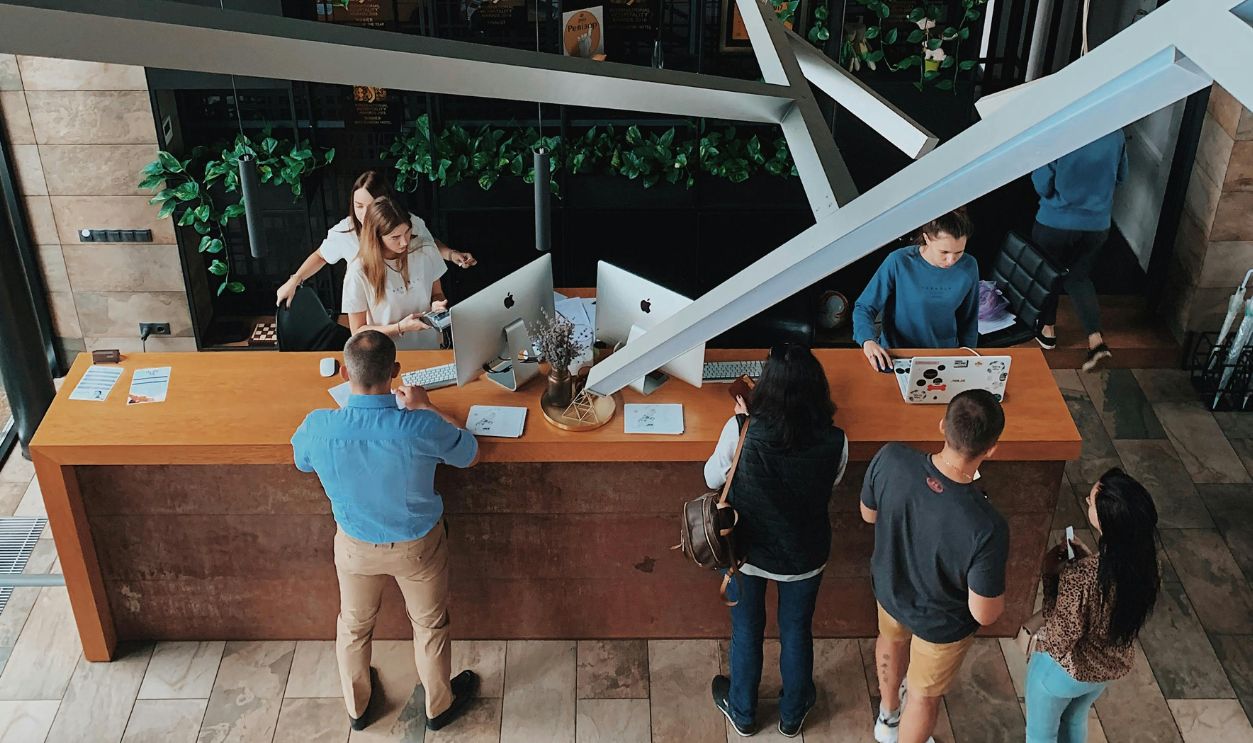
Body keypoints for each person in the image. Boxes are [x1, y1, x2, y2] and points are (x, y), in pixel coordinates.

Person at [291, 330, 481, 732]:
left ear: (344, 373)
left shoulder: (319, 425)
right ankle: (438, 706)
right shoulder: (418, 427)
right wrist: (427, 407)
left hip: (356, 547)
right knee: (429, 625)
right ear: (395, 372)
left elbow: (302, 462)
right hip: (417, 547)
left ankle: (358, 708)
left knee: (354, 625)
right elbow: (468, 452)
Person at [705, 344, 849, 738]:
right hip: (804, 554)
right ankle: (793, 712)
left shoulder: (741, 429)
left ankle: (743, 712)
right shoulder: (837, 439)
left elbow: (712, 479)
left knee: (747, 629)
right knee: (797, 630)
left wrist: (741, 425)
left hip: (745, 551)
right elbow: (830, 483)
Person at [860, 389, 1010, 743]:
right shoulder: (986, 526)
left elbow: (868, 515)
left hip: (890, 589)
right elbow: (984, 612)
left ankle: (887, 716)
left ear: (942, 425)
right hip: (940, 623)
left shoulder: (892, 457)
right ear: (991, 449)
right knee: (924, 696)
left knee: (891, 640)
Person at [1026, 468, 1160, 743]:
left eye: (1091, 501)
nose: (1087, 501)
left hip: (1068, 671)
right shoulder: (1147, 564)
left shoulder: (1084, 577)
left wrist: (1053, 576)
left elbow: (1059, 639)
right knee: (1074, 720)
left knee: (1040, 733)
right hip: (1109, 668)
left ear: (1106, 521)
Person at [276, 170, 476, 307]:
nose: (364, 214)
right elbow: (321, 256)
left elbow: (426, 244)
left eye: (370, 206)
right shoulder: (346, 232)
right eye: (358, 205)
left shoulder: (407, 223)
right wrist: (295, 280)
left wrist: (451, 254)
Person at [1030, 129, 1128, 371]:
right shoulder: (1116, 134)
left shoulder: (1060, 133)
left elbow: (1042, 184)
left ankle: (1048, 330)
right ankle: (1095, 340)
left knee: (1048, 273)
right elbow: (1122, 176)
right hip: (1097, 225)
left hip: (1055, 221)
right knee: (1078, 276)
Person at [853, 209, 980, 371]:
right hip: (896, 356)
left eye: (959, 252)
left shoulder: (969, 266)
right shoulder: (898, 262)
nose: (951, 260)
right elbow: (864, 307)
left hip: (945, 356)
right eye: (944, 252)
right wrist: (868, 341)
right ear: (927, 238)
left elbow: (968, 320)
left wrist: (968, 360)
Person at [342, 195, 449, 350]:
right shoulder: (358, 271)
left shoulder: (425, 250)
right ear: (376, 238)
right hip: (385, 355)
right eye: (395, 237)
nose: (405, 242)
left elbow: (437, 294)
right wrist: (400, 327)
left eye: (407, 232)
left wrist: (437, 304)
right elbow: (358, 333)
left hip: (429, 347)